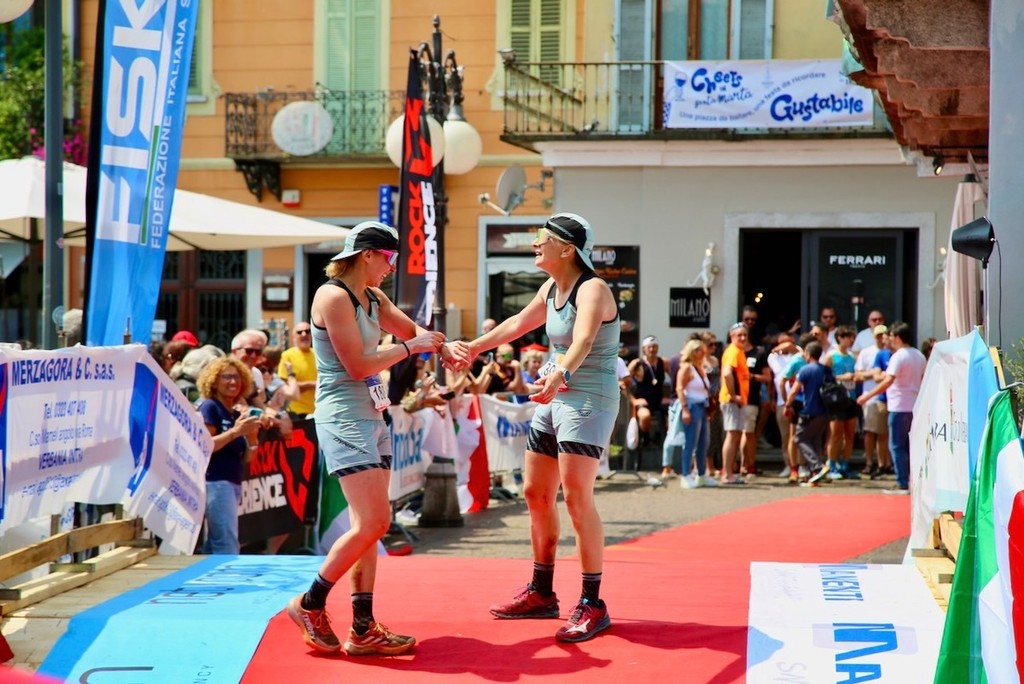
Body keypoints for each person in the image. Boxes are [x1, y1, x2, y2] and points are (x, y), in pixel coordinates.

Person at [285, 221, 464, 656]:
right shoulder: (332, 296)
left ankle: (362, 628)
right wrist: (414, 348)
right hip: (344, 417)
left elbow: (412, 331)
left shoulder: (373, 296)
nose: (392, 267)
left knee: (367, 529)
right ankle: (309, 603)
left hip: (372, 414)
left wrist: (444, 347)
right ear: (366, 255)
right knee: (375, 523)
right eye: (389, 258)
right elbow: (359, 365)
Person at [455, 212, 618, 643]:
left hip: (588, 398)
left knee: (577, 497)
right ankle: (542, 593)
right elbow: (516, 325)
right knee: (534, 492)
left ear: (567, 249)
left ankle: (593, 603)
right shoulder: (550, 287)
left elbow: (583, 339)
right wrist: (473, 347)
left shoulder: (593, 288)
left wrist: (560, 372)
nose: (535, 244)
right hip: (555, 393)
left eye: (542, 237)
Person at [196, 356, 263, 554]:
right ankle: (228, 575)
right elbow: (205, 446)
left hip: (233, 482)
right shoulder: (210, 407)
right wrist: (235, 432)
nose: (233, 382)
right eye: (226, 377)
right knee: (226, 545)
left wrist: (252, 438)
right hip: (215, 482)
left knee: (215, 544)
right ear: (214, 381)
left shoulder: (235, 414)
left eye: (237, 377)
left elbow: (247, 458)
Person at [856, 321, 926, 493]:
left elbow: (888, 381)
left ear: (899, 338)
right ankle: (912, 481)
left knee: (897, 446)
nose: (889, 339)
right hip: (914, 406)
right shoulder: (919, 356)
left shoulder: (898, 356)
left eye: (892, 336)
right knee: (909, 446)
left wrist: (867, 396)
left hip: (899, 407)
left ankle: (902, 482)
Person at [670, 339, 717, 489]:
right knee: (690, 442)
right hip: (692, 406)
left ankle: (701, 474)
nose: (702, 352)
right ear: (691, 351)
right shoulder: (686, 368)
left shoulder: (701, 367)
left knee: (703, 442)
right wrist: (685, 409)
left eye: (703, 350)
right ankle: (685, 474)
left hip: (702, 406)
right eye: (698, 350)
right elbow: (679, 388)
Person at [784, 341, 832, 486]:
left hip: (809, 410)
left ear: (808, 354)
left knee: (800, 438)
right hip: (825, 410)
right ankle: (815, 474)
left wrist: (788, 405)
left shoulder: (805, 370)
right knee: (815, 440)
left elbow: (794, 390)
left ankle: (817, 466)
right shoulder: (826, 370)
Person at [718, 323, 750, 484]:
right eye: (739, 335)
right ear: (732, 337)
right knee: (732, 436)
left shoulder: (738, 351)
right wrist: (733, 395)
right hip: (732, 401)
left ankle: (729, 472)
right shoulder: (733, 351)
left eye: (745, 335)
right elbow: (727, 374)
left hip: (736, 401)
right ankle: (727, 474)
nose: (743, 338)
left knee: (735, 435)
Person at [278, 322, 317, 419]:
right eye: (299, 332)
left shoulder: (317, 354)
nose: (304, 334)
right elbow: (283, 385)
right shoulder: (287, 356)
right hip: (296, 412)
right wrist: (311, 384)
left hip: (317, 410)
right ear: (293, 337)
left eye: (308, 331)